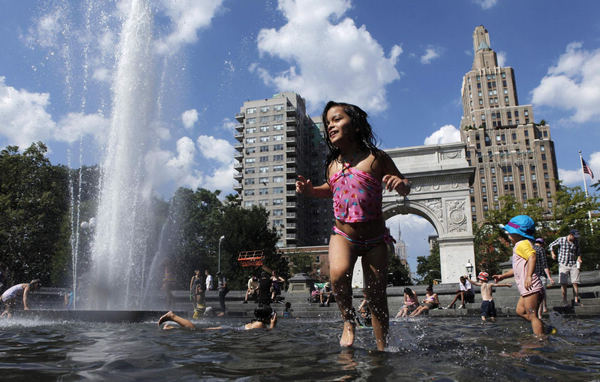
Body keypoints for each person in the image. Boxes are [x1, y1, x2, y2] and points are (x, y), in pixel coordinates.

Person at [296, 101, 410, 351]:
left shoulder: (376, 158)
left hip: (374, 239)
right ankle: (348, 319)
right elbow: (331, 189)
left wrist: (400, 184)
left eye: (336, 120)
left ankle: (383, 347)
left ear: (356, 125)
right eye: (327, 123)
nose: (330, 126)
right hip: (343, 235)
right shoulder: (332, 164)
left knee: (377, 297)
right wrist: (311, 191)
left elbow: (404, 183)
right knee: (337, 275)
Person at [493, 215, 547, 336]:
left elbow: (532, 257)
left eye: (509, 233)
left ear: (517, 233)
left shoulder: (522, 244)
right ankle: (543, 328)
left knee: (532, 315)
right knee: (520, 311)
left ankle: (540, 339)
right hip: (527, 288)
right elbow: (517, 269)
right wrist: (503, 276)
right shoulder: (521, 245)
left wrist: (528, 276)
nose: (508, 235)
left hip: (531, 286)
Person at [158, 306, 277, 331]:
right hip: (225, 329)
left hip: (227, 329)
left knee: (197, 331)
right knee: (196, 331)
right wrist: (272, 325)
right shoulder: (260, 325)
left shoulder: (257, 323)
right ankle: (172, 316)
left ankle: (170, 327)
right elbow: (269, 332)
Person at [549, 229, 583, 306]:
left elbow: (578, 251)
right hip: (563, 263)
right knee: (563, 283)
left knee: (575, 282)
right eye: (574, 236)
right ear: (570, 235)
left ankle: (576, 300)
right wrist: (552, 253)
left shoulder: (576, 241)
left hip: (573, 263)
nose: (575, 238)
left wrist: (579, 258)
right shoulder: (561, 239)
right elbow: (551, 245)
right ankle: (564, 300)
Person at [533, 238, 555, 318]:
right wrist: (549, 277)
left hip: (532, 276)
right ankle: (539, 315)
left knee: (535, 296)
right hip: (541, 275)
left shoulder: (530, 249)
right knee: (541, 295)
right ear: (542, 244)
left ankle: (536, 315)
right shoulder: (541, 250)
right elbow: (544, 264)